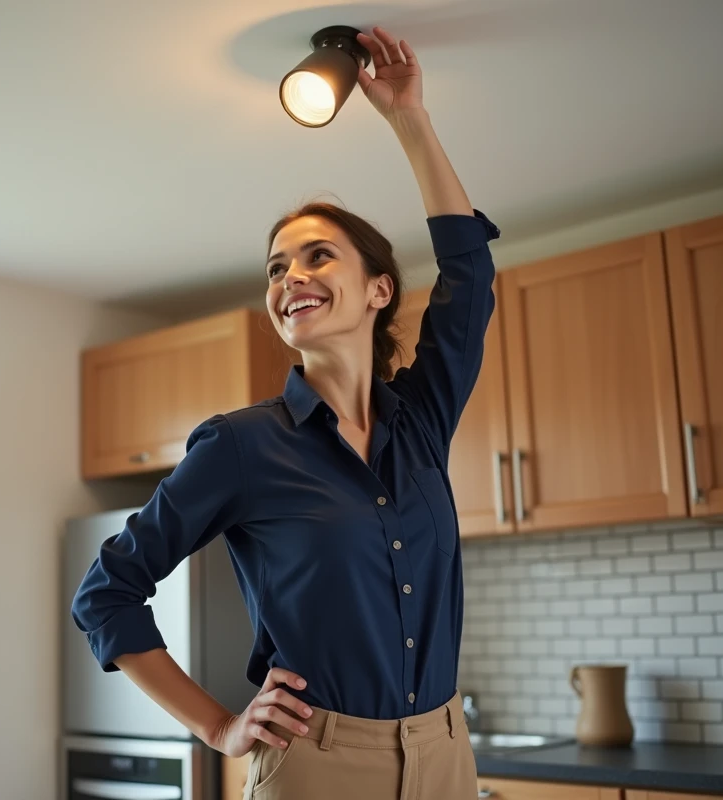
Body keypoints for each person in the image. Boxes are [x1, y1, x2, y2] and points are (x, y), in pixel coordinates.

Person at [71, 26, 497, 800]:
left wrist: (410, 120)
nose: (289, 276)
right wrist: (218, 727)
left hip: (446, 752)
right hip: (317, 766)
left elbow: (470, 273)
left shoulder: (422, 424)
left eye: (317, 255)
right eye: (276, 267)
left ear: (379, 290)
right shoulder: (240, 446)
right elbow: (106, 591)